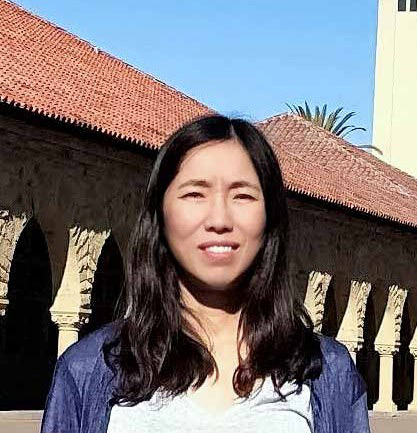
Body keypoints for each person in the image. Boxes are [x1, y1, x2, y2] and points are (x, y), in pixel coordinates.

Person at [40, 115, 370, 433]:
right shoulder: (87, 368)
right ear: (160, 214)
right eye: (195, 194)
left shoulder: (327, 372)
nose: (219, 219)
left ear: (270, 218)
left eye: (243, 196)